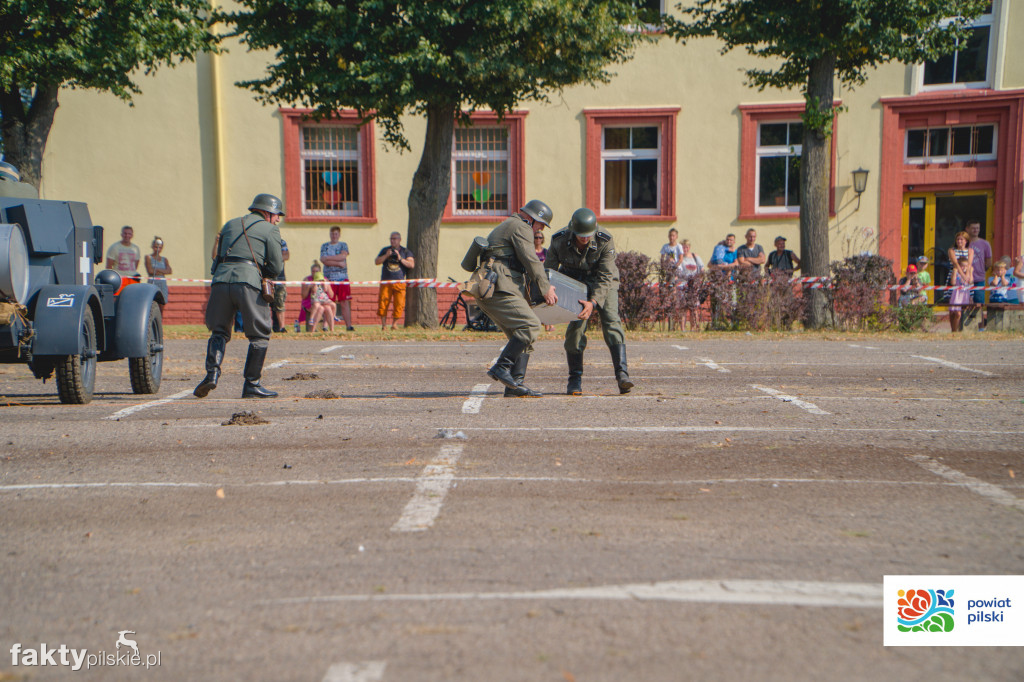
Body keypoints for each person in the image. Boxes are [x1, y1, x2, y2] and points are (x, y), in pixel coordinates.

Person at [194, 193, 285, 399]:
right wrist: (266, 274)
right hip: (248, 281)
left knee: (219, 332)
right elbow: (277, 266)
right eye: (276, 214)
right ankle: (252, 384)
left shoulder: (229, 225)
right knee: (260, 334)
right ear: (266, 212)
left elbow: (217, 258)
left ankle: (212, 374)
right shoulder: (270, 229)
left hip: (220, 281)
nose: (278, 219)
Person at [471, 199, 557, 397]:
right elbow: (531, 260)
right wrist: (545, 289)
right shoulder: (521, 226)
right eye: (541, 225)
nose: (540, 230)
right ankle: (501, 367)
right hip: (499, 286)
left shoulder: (513, 224)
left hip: (499, 285)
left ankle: (515, 386)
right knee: (531, 325)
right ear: (532, 218)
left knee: (524, 335)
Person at [547, 208, 633, 396]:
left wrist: (593, 302)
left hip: (602, 281)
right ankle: (574, 379)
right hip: (575, 283)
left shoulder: (605, 240)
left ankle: (622, 375)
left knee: (611, 320)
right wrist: (548, 297)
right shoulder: (559, 240)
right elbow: (549, 272)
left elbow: (606, 276)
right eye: (580, 236)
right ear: (572, 231)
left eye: (588, 235)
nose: (585, 239)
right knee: (576, 328)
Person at [374, 232, 415, 329]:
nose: (392, 240)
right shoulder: (385, 250)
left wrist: (400, 258)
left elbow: (411, 265)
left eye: (395, 238)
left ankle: (394, 324)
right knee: (383, 303)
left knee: (399, 304)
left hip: (399, 282)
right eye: (391, 239)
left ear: (399, 239)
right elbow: (376, 262)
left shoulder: (405, 251)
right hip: (386, 281)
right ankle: (384, 325)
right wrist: (386, 256)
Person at [320, 225, 355, 331]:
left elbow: (343, 257)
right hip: (329, 279)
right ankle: (326, 326)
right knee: (328, 302)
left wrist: (329, 259)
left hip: (342, 278)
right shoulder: (325, 246)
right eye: (332, 234)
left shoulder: (343, 245)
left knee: (344, 302)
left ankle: (348, 325)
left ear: (339, 235)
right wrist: (338, 262)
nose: (334, 236)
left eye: (336, 234)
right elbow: (323, 260)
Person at [966, 220, 992, 330]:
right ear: (967, 229)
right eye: (973, 228)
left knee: (979, 304)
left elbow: (989, 261)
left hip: (979, 278)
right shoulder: (964, 243)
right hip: (965, 279)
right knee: (965, 303)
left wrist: (981, 270)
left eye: (978, 228)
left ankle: (981, 327)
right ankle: (965, 327)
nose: (976, 230)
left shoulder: (985, 244)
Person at [947, 230, 973, 330]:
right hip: (954, 276)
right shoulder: (952, 250)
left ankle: (959, 328)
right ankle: (952, 328)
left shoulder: (970, 251)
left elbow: (970, 264)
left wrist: (967, 276)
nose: (959, 241)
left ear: (966, 240)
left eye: (961, 239)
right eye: (958, 239)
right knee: (952, 306)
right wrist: (962, 275)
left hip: (965, 280)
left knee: (962, 306)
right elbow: (956, 263)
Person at [301, 262, 337, 332]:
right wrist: (309, 287)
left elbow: (331, 295)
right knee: (320, 308)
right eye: (313, 271)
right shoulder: (308, 280)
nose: (314, 273)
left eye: (316, 271)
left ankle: (332, 330)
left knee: (328, 308)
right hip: (310, 301)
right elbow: (304, 296)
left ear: (320, 272)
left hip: (322, 300)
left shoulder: (324, 279)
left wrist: (326, 285)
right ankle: (313, 330)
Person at [534, 231, 555, 332]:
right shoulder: (531, 252)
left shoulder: (546, 252)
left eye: (540, 238)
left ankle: (549, 324)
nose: (538, 240)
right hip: (535, 280)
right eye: (536, 237)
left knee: (548, 300)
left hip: (545, 279)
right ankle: (543, 323)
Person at [144, 236, 172, 307]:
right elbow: (150, 271)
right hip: (153, 282)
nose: (158, 249)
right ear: (153, 247)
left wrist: (157, 269)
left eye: (160, 247)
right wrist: (163, 271)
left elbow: (169, 271)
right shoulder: (148, 257)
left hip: (162, 284)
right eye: (156, 247)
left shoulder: (164, 259)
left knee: (162, 304)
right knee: (151, 303)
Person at [271, 239, 290, 333]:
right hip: (267, 277)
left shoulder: (281, 241)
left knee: (280, 302)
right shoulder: (262, 239)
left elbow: (286, 255)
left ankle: (281, 327)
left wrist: (273, 258)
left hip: (280, 277)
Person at [948, 255, 971, 333]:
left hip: (965, 295)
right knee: (955, 313)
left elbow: (971, 282)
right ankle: (953, 330)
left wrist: (970, 271)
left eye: (966, 266)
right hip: (957, 295)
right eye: (962, 266)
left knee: (959, 314)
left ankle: (955, 330)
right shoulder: (956, 273)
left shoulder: (968, 274)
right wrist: (955, 271)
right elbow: (953, 282)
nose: (964, 268)